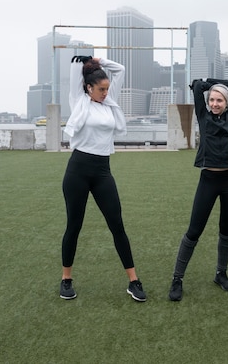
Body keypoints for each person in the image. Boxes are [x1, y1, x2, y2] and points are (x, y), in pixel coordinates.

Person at [59, 55, 146, 302]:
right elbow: (76, 70)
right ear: (88, 88)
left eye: (107, 89)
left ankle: (133, 281)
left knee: (117, 225)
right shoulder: (78, 101)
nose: (106, 93)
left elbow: (121, 68)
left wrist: (100, 60)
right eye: (101, 89)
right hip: (77, 170)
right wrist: (82, 62)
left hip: (102, 171)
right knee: (74, 226)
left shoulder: (109, 102)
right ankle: (66, 279)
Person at [168, 78, 228, 301]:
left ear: (227, 102)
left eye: (219, 100)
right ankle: (177, 279)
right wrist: (207, 84)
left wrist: (216, 84)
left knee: (226, 230)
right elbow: (197, 85)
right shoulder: (203, 115)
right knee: (194, 231)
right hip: (208, 180)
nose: (215, 103)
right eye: (211, 99)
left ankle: (221, 273)